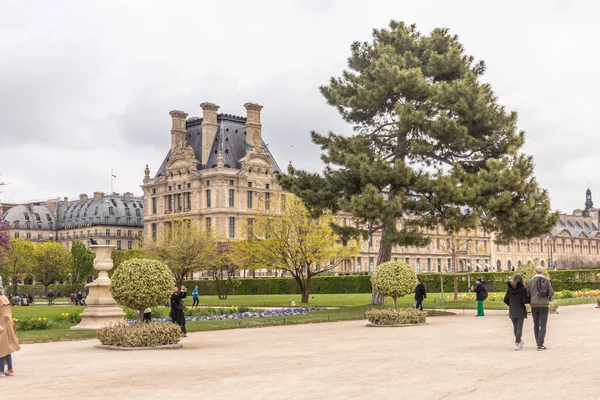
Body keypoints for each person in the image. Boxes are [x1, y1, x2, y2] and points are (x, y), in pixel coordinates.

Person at [526, 266, 555, 350]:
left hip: (534, 304)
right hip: (544, 304)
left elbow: (527, 293)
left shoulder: (530, 281)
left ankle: (537, 342)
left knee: (536, 324)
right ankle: (540, 343)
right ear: (542, 272)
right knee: (543, 324)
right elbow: (551, 293)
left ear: (535, 272)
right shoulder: (546, 281)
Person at [503, 274, 530, 350]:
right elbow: (524, 300)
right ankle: (516, 342)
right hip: (520, 309)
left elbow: (505, 299)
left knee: (515, 327)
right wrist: (529, 299)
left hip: (512, 309)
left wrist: (510, 304)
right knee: (519, 327)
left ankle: (519, 341)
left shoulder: (510, 288)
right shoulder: (522, 288)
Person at [0, 285, 21, 377]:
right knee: (7, 347)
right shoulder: (4, 298)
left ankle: (1, 370)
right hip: (8, 324)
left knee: (2, 348)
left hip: (1, 325)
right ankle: (10, 368)